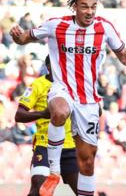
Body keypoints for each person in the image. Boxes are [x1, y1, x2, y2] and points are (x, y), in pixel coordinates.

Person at [9, 0, 126, 196]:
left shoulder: (104, 28)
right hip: (62, 89)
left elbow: (122, 52)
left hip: (88, 99)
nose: (90, 11)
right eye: (84, 7)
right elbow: (25, 38)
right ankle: (54, 172)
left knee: (87, 162)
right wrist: (17, 37)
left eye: (94, 7)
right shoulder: (55, 25)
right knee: (59, 111)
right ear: (74, 7)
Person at [15, 56, 78, 196]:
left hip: (69, 147)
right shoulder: (37, 85)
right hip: (44, 145)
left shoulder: (73, 85)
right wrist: (43, 113)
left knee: (84, 191)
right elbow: (19, 115)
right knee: (39, 189)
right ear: (49, 67)